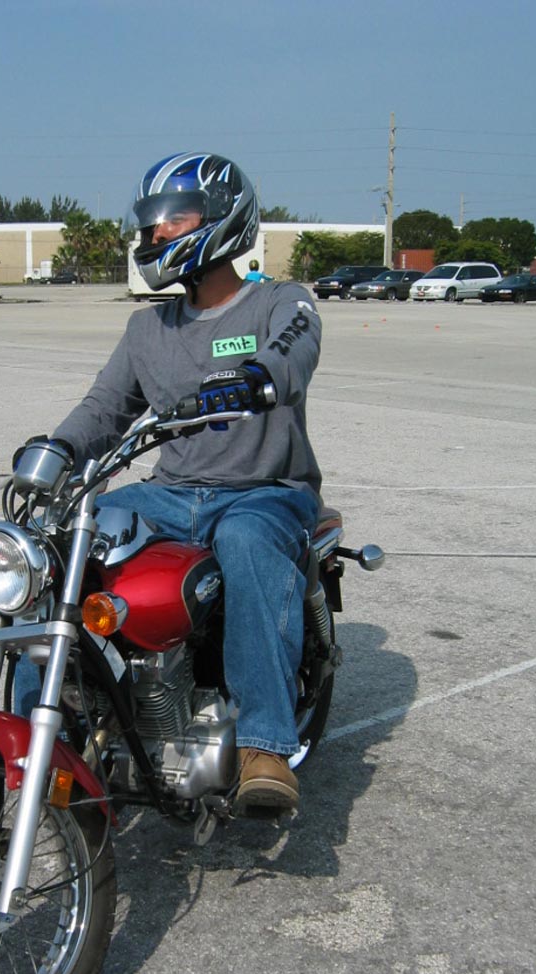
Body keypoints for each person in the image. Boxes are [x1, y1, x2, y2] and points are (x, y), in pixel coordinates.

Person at [30, 151, 323, 817]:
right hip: (171, 492)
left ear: (222, 218)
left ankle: (265, 745)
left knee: (247, 542)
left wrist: (258, 376)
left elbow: (295, 347)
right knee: (62, 542)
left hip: (264, 490)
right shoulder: (148, 328)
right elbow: (106, 407)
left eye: (175, 218)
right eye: (152, 222)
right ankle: (41, 727)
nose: (158, 233)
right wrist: (54, 451)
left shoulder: (280, 301)